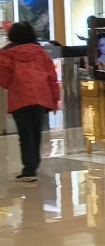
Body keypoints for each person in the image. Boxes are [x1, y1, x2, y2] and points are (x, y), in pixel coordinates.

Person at [0, 23, 60, 182]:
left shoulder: (6, 54)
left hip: (20, 97)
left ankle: (29, 169)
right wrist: (55, 99)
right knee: (36, 132)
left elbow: (4, 80)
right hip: (41, 96)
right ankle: (34, 165)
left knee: (25, 134)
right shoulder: (41, 52)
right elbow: (52, 77)